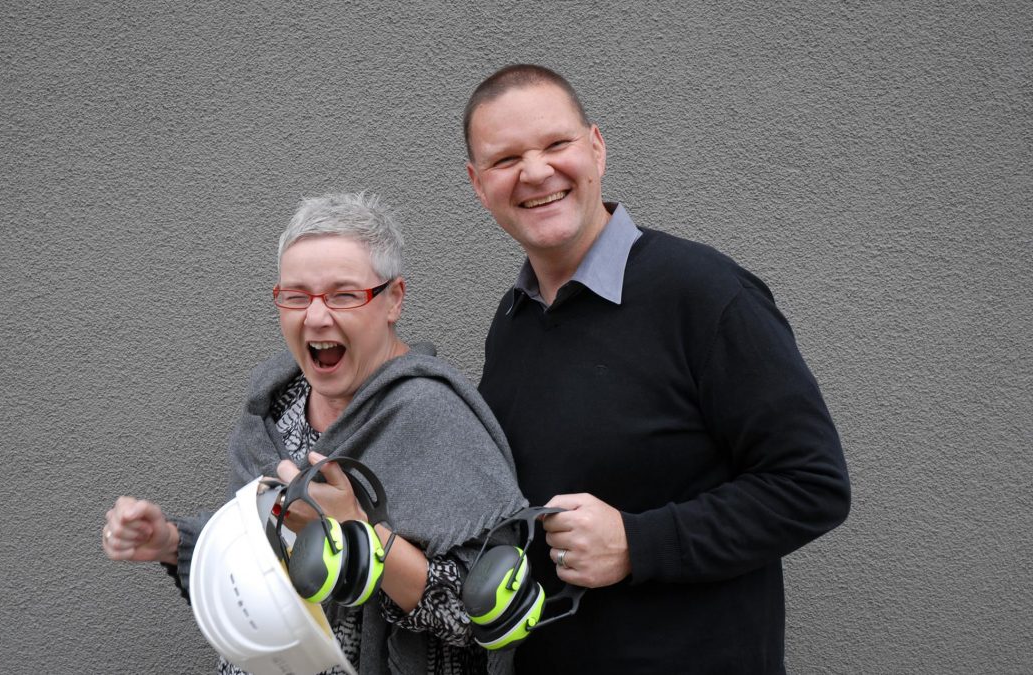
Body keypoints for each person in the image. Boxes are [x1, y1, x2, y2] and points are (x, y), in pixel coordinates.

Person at [464, 64, 851, 673]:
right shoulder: (512, 324)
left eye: (556, 144)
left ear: (596, 147)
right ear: (478, 183)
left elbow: (813, 486)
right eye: (506, 158)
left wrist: (638, 544)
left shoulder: (704, 294)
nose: (536, 172)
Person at [102, 193, 527, 675]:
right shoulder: (272, 406)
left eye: (344, 295)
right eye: (297, 295)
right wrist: (170, 540)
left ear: (394, 299)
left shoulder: (434, 415)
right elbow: (253, 548)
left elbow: (479, 618)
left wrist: (358, 534)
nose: (316, 317)